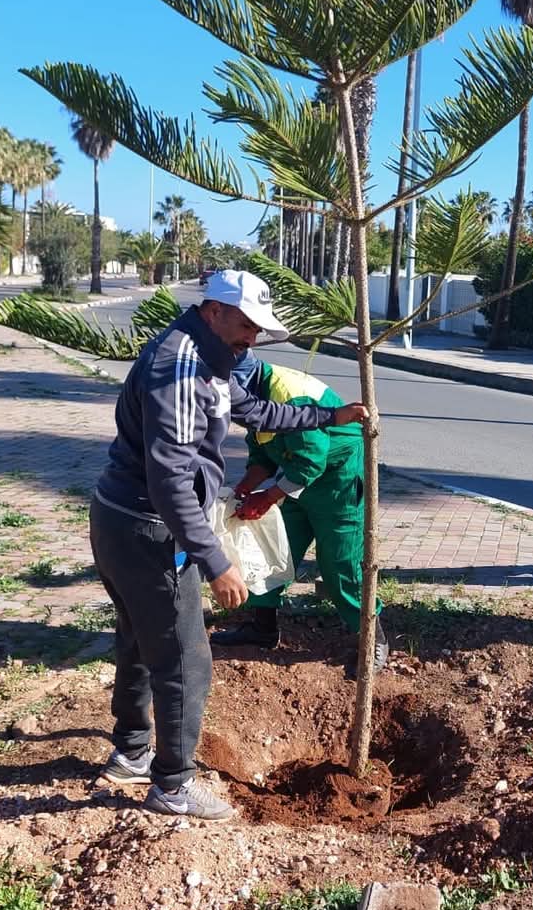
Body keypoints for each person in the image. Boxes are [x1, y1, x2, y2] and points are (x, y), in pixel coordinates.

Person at [89, 270, 367, 819]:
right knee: (187, 659)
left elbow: (256, 411)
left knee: (140, 640)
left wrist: (328, 417)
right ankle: (172, 785)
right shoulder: (181, 372)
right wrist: (216, 561)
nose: (253, 338)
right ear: (213, 310)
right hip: (147, 528)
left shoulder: (207, 356)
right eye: (245, 325)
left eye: (259, 329)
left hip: (118, 517)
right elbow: (170, 481)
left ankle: (131, 752)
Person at [211, 350, 388, 678]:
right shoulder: (256, 395)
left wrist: (267, 497)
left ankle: (371, 636)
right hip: (295, 477)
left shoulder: (290, 397)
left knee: (339, 562)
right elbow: (263, 453)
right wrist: (243, 491)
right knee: (275, 549)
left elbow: (312, 460)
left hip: (337, 479)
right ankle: (262, 628)